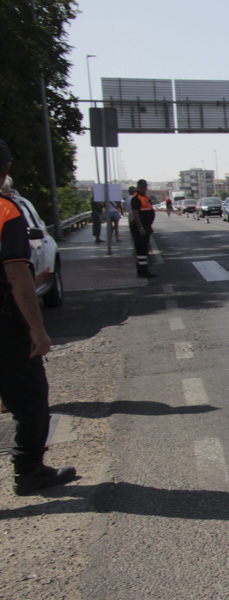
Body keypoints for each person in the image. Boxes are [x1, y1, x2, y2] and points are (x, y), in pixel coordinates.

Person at [0, 139, 78, 495]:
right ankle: (28, 471)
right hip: (5, 323)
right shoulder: (6, 210)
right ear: (5, 171)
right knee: (30, 398)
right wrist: (37, 329)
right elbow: (17, 274)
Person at [129, 179, 156, 278]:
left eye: (145, 186)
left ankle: (145, 270)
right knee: (141, 250)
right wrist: (140, 227)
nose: (144, 188)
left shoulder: (144, 197)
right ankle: (142, 271)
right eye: (142, 186)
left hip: (146, 226)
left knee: (145, 250)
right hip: (139, 227)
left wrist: (149, 227)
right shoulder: (136, 198)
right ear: (138, 187)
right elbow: (135, 214)